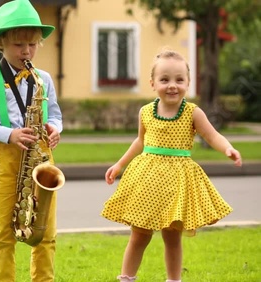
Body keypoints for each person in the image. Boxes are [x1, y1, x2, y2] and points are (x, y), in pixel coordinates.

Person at [101, 50, 242, 282]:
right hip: (147, 181)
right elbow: (140, 141)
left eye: (179, 80)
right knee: (139, 235)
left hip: (177, 183)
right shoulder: (146, 112)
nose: (172, 86)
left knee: (172, 237)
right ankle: (126, 278)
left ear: (188, 82)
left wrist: (228, 149)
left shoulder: (192, 112)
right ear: (153, 83)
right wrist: (119, 165)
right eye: (164, 80)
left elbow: (212, 135)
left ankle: (174, 280)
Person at [0, 0, 62, 281]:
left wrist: (55, 129)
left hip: (40, 158)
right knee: (3, 235)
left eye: (32, 44)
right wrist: (9, 134)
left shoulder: (42, 78)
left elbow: (55, 114)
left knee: (45, 233)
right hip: (4, 159)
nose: (27, 51)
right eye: (19, 45)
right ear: (2, 44)